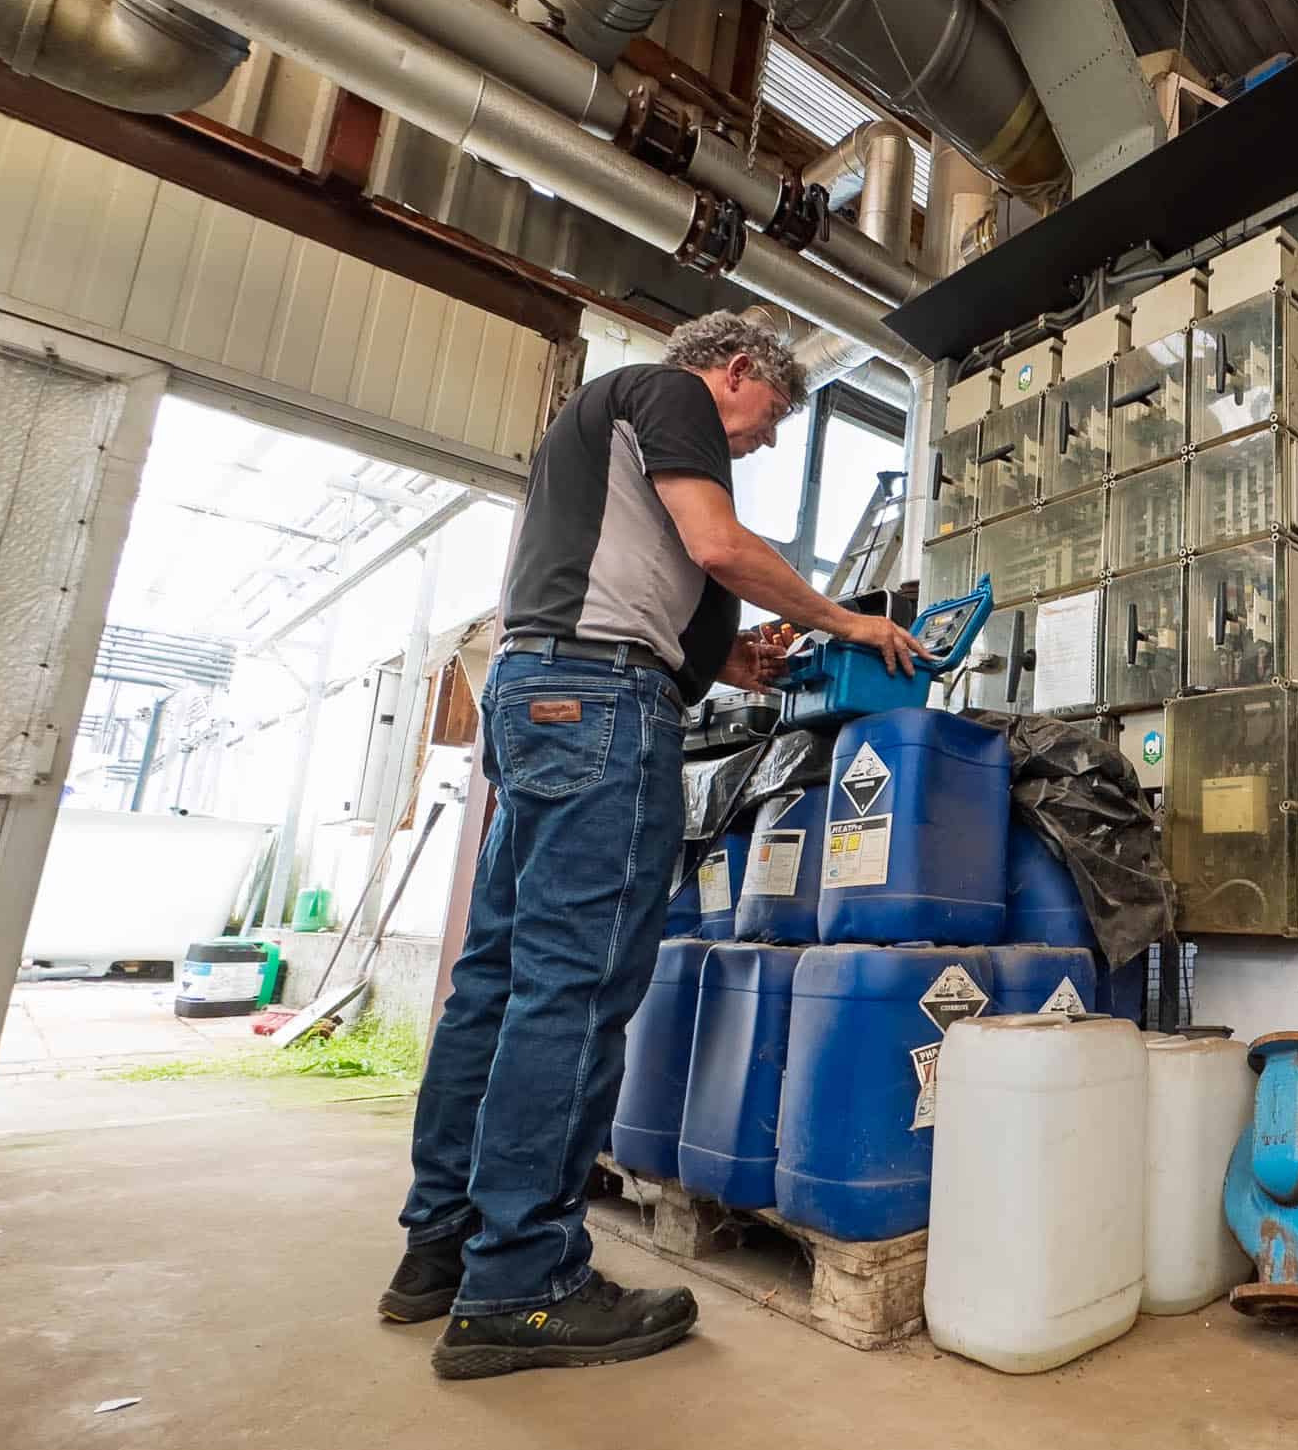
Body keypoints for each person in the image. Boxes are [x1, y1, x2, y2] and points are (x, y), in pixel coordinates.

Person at [383, 309, 928, 1380]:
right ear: (732, 373)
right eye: (767, 420)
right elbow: (716, 546)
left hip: (538, 698)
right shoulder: (667, 393)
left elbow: (637, 590)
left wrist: (743, 668)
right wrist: (848, 622)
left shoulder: (593, 437)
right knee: (574, 993)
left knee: (496, 985)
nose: (760, 443)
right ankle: (523, 1289)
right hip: (602, 708)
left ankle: (439, 1250)